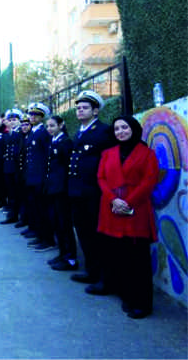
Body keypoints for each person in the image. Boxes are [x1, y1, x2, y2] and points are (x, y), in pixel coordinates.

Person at [97, 116, 159, 319]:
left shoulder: (147, 153)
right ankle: (126, 294)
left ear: (133, 129)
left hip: (136, 210)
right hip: (112, 209)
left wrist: (128, 202)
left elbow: (149, 180)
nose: (120, 132)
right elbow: (101, 178)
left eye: (124, 127)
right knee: (118, 254)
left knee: (138, 258)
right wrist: (114, 200)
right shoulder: (108, 153)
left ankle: (142, 303)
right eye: (117, 129)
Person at [67, 90, 114, 293]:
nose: (80, 110)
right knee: (83, 233)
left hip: (94, 192)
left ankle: (105, 279)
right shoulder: (79, 131)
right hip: (78, 191)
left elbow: (110, 162)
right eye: (78, 108)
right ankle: (91, 271)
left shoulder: (103, 131)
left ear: (95, 111)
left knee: (98, 236)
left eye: (84, 108)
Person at [43, 116, 76, 271]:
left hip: (62, 189)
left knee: (65, 223)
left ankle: (70, 257)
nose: (49, 129)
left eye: (52, 125)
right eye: (48, 126)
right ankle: (63, 253)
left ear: (61, 125)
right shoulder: (54, 141)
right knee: (56, 222)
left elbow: (67, 167)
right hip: (53, 187)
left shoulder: (65, 142)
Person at [0, 110, 23, 224]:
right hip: (8, 166)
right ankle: (12, 215)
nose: (12, 122)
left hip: (17, 167)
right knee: (11, 193)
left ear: (19, 121)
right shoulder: (8, 134)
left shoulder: (21, 133)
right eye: (10, 120)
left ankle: (21, 217)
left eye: (14, 120)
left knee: (19, 193)